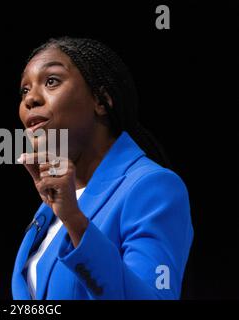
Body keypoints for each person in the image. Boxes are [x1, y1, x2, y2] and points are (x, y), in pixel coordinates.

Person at [12, 37, 193, 300]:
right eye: (24, 91)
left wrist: (75, 222)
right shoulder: (53, 203)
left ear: (101, 100)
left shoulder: (153, 188)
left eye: (51, 81)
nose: (31, 100)